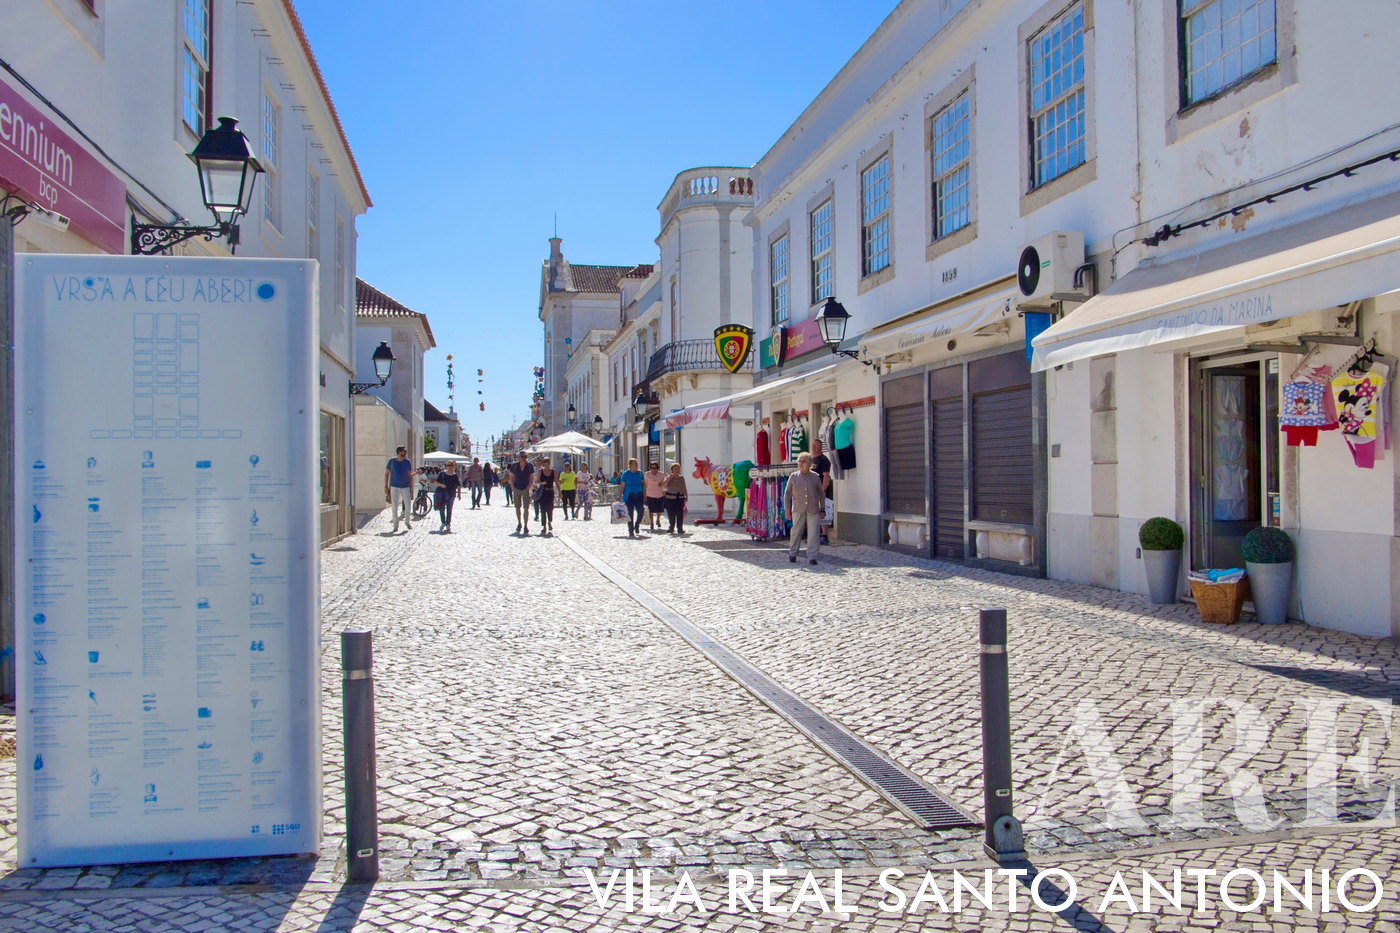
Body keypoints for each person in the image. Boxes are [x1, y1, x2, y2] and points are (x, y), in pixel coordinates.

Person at [785, 451, 824, 565]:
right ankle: (793, 553)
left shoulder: (815, 477)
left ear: (810, 463)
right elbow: (787, 494)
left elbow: (821, 493)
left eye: (804, 461)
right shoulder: (793, 476)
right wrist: (787, 509)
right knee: (796, 531)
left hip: (813, 507)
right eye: (799, 461)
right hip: (798, 508)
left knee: (813, 533)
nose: (801, 463)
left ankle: (812, 556)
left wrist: (822, 508)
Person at [384, 446, 419, 533]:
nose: (406, 452)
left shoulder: (407, 462)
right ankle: (396, 525)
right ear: (399, 452)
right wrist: (386, 486)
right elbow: (386, 473)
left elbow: (409, 474)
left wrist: (410, 486)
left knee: (407, 505)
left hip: (405, 486)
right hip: (394, 486)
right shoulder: (392, 461)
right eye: (404, 451)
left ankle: (407, 521)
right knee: (394, 506)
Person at [811, 438, 833, 545]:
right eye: (813, 445)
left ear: (820, 447)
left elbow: (826, 477)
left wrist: (823, 491)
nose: (814, 447)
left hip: (821, 491)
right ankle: (818, 536)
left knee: (823, 513)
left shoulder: (824, 460)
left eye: (816, 445)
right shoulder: (812, 460)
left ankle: (824, 536)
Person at [506, 451, 535, 534]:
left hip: (525, 488)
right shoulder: (514, 466)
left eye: (525, 456)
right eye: (522, 456)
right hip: (517, 487)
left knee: (526, 507)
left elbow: (531, 477)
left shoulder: (529, 466)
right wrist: (512, 486)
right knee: (517, 507)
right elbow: (512, 476)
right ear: (519, 457)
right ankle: (519, 523)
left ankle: (526, 525)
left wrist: (529, 486)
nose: (523, 458)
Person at [620, 458, 646, 538]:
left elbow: (643, 484)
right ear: (630, 465)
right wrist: (619, 495)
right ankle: (631, 530)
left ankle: (637, 524)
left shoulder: (640, 473)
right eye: (634, 464)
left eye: (637, 463)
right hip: (629, 495)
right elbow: (622, 485)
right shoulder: (626, 473)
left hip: (639, 494)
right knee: (630, 513)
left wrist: (644, 493)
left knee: (640, 511)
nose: (636, 465)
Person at [433, 461, 461, 532]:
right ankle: (443, 522)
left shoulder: (455, 475)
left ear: (454, 466)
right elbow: (436, 482)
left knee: (449, 509)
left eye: (451, 465)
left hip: (451, 494)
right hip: (442, 493)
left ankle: (448, 524)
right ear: (446, 466)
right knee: (441, 508)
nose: (450, 467)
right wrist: (441, 485)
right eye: (448, 465)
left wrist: (459, 494)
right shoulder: (442, 474)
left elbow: (458, 485)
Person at [662, 462, 688, 534]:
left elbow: (684, 487)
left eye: (678, 468)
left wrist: (686, 496)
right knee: (671, 514)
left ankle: (680, 528)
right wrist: (670, 478)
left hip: (679, 498)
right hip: (670, 498)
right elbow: (663, 485)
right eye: (675, 468)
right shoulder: (668, 477)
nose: (677, 470)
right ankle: (671, 527)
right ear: (672, 469)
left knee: (680, 514)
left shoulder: (682, 478)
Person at [536, 458, 558, 536]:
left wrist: (560, 491)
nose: (546, 463)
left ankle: (549, 522)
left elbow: (556, 482)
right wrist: (541, 483)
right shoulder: (540, 471)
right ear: (543, 463)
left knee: (550, 508)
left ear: (550, 462)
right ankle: (544, 526)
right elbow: (537, 481)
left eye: (548, 461)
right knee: (542, 509)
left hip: (550, 491)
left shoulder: (554, 471)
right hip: (543, 491)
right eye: (545, 461)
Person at [643, 460, 666, 532]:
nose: (654, 469)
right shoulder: (647, 474)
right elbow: (645, 485)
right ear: (650, 468)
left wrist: (662, 485)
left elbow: (665, 483)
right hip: (650, 494)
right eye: (652, 468)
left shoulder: (662, 474)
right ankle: (652, 523)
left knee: (660, 510)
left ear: (658, 468)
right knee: (651, 510)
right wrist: (644, 494)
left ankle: (658, 519)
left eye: (655, 468)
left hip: (660, 494)